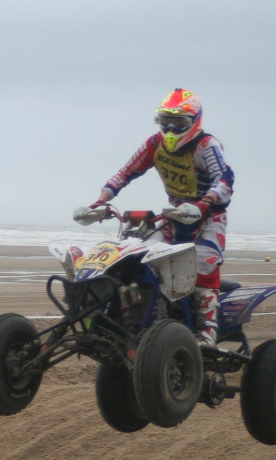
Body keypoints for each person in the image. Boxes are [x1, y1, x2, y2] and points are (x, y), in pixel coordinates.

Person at [89, 88, 235, 346]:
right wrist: (102, 199)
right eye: (165, 121)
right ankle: (147, 314)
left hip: (209, 218)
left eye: (178, 122)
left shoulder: (206, 145)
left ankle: (207, 329)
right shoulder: (155, 144)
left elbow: (224, 179)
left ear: (194, 121)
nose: (170, 128)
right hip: (174, 215)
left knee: (202, 264)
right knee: (140, 255)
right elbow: (126, 172)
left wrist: (206, 202)